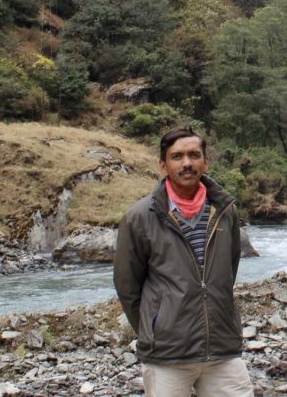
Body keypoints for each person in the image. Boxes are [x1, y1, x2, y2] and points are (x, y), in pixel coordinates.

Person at [114, 128, 254, 397]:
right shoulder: (140, 217)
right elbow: (127, 285)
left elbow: (228, 271)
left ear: (206, 162)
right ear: (163, 165)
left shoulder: (225, 211)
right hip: (168, 354)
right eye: (177, 156)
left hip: (222, 349)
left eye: (194, 155)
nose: (187, 163)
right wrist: (155, 329)